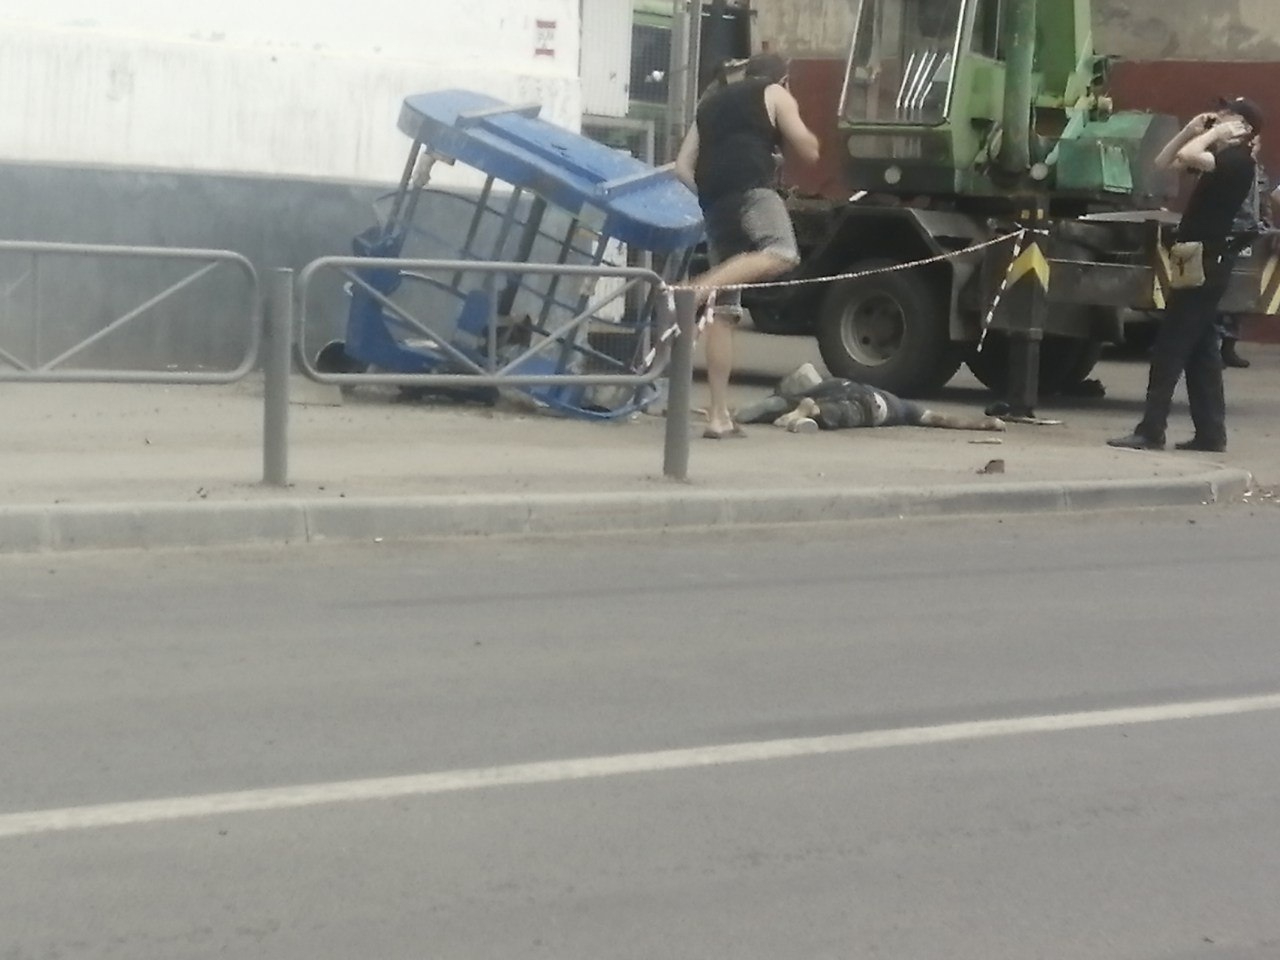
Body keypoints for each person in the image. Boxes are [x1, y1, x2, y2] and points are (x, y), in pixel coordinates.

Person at [674, 52, 821, 439]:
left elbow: (681, 167)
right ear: (783, 78)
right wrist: (798, 140)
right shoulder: (774, 92)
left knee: (724, 313)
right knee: (781, 252)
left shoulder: (709, 105)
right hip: (752, 191)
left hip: (715, 203)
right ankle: (699, 286)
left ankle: (718, 417)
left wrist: (709, 193)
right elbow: (808, 148)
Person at [1109, 97, 1264, 453]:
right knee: (1202, 352)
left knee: (1171, 345)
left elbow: (1195, 157)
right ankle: (1211, 434)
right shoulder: (1220, 156)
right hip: (1194, 257)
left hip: (1206, 260)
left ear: (1243, 127)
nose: (1219, 117)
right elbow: (1165, 161)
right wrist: (1189, 130)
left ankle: (1151, 430)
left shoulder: (1238, 162)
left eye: (1229, 114)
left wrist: (1213, 135)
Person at [736, 364, 1006, 433]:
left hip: (838, 383)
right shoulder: (903, 409)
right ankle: (809, 411)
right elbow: (943, 419)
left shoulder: (900, 404)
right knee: (842, 414)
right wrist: (985, 424)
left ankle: (781, 404)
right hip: (869, 406)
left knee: (795, 398)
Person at [1217, 148, 1272, 369]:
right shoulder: (1226, 163)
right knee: (1220, 290)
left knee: (1243, 292)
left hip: (1250, 233)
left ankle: (1228, 347)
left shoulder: (1258, 169)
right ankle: (1213, 348)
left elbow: (1266, 200)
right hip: (1227, 231)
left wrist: (1266, 225)